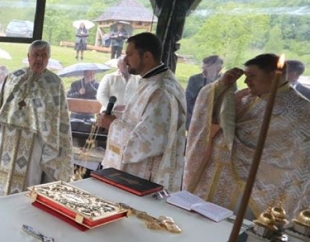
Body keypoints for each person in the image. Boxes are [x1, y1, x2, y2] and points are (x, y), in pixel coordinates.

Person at [184, 54, 310, 219]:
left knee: (230, 233)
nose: (246, 81)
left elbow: (297, 161)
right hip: (213, 177)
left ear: (273, 75)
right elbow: (211, 114)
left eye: (252, 76)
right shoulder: (246, 96)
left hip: (251, 190)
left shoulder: (300, 111)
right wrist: (223, 85)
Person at [0, 40, 73, 197]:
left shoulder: (54, 83)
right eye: (35, 55)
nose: (39, 59)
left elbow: (60, 118)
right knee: (2, 182)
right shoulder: (13, 77)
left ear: (48, 58)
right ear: (28, 56)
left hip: (35, 140)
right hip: (7, 138)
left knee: (29, 183)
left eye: (43, 55)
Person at [97, 33, 186, 193]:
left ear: (146, 56)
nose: (124, 60)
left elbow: (149, 142)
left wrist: (112, 123)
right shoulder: (151, 81)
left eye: (130, 54)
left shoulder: (161, 91)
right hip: (136, 173)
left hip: (145, 178)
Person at [185, 55, 224, 128]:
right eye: (203, 69)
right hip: (196, 117)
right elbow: (188, 101)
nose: (203, 72)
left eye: (207, 70)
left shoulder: (227, 81)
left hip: (217, 121)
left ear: (219, 69)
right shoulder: (194, 79)